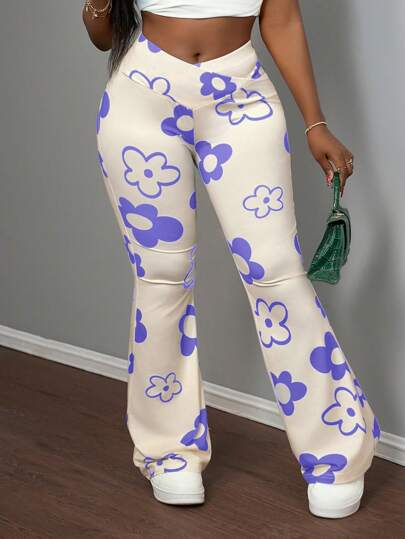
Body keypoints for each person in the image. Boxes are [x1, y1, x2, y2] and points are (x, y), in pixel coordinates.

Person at [83, 0, 380, 518]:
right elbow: (103, 34)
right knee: (162, 277)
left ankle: (335, 455)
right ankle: (169, 452)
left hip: (241, 99)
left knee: (276, 273)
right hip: (140, 98)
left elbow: (281, 19)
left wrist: (315, 123)